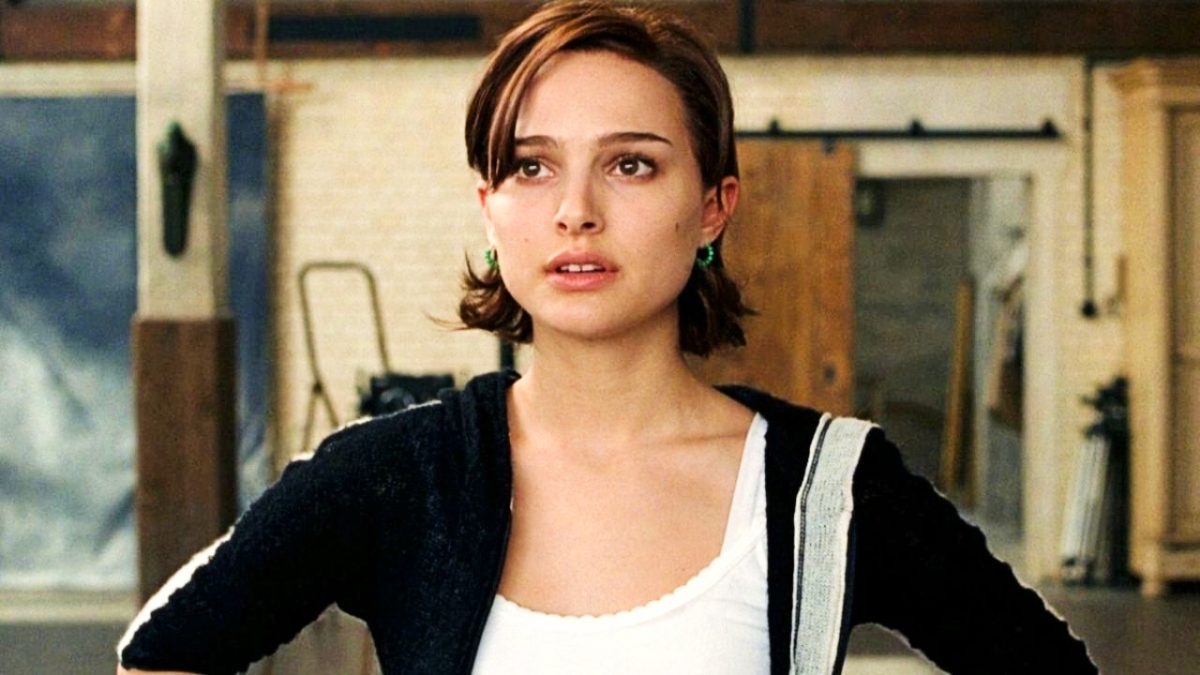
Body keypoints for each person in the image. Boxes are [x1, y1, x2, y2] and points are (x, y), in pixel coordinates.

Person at [117, 1, 1097, 673]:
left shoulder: (826, 487)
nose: (575, 210)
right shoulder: (396, 474)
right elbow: (164, 651)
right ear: (490, 207)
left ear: (712, 207)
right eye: (531, 167)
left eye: (631, 165)